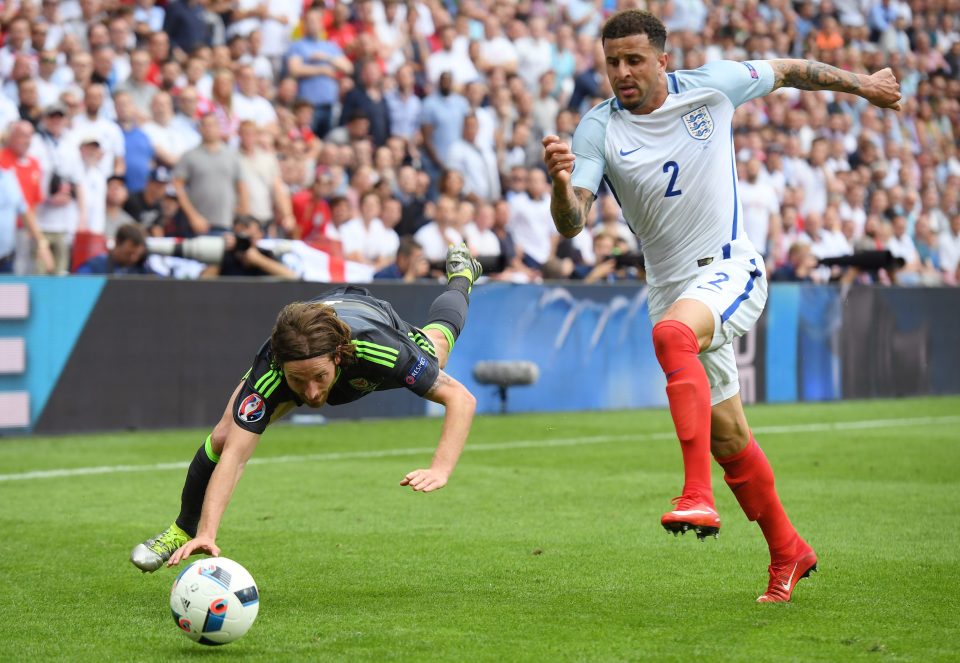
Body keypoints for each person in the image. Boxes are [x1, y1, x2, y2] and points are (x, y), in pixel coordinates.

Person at [542, 9, 902, 603]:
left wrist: (863, 85)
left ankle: (696, 495)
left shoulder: (712, 85)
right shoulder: (598, 129)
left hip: (731, 265)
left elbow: (789, 70)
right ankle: (789, 551)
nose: (623, 73)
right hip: (671, 288)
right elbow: (572, 223)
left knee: (672, 340)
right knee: (730, 434)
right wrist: (559, 185)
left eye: (634, 60)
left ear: (663, 59)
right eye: (612, 63)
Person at [130, 243, 484, 571]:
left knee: (437, 348)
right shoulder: (272, 369)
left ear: (338, 357)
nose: (313, 394)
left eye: (319, 376)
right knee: (225, 435)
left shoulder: (380, 352)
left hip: (372, 317)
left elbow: (461, 399)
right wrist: (208, 533)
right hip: (317, 315)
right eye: (299, 381)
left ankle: (462, 277)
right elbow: (236, 456)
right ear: (281, 366)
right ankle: (181, 530)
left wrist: (441, 468)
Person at [75, 222, 154, 275]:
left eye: (138, 255)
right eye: (129, 253)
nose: (133, 258)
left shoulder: (141, 269)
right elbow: (78, 284)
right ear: (117, 242)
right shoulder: (95, 266)